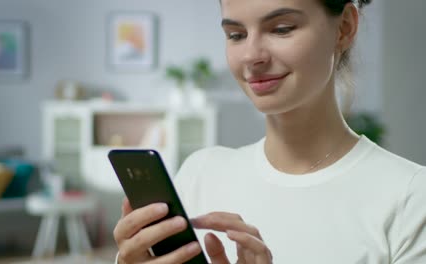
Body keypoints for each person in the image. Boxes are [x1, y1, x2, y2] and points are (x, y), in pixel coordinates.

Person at [113, 0, 426, 263]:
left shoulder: (410, 196)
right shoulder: (200, 174)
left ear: (344, 27)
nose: (252, 56)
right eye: (236, 34)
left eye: (281, 28)